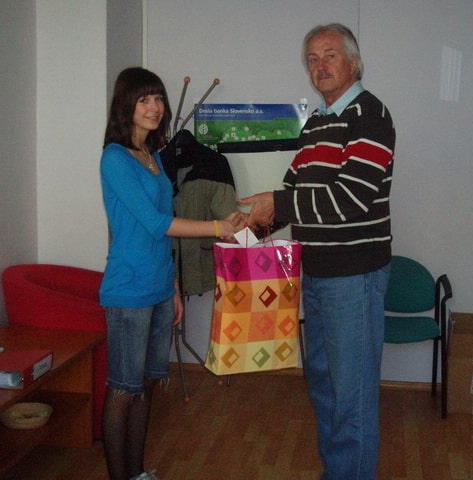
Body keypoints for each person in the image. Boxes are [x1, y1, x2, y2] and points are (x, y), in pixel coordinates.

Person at [240, 24, 396, 480]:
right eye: (312, 58)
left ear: (354, 63)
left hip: (354, 278)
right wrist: (249, 227)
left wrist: (278, 204)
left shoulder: (370, 115)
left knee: (352, 396)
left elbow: (351, 198)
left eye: (330, 55)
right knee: (325, 386)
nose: (320, 66)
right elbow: (293, 190)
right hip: (317, 274)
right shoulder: (317, 122)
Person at [99, 67, 242, 480]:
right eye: (144, 99)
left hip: (160, 287)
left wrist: (174, 286)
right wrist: (218, 227)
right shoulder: (115, 158)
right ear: (126, 106)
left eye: (158, 98)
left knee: (145, 387)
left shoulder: (154, 157)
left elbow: (165, 225)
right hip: (129, 290)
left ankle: (138, 473)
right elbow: (156, 223)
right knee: (123, 389)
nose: (155, 107)